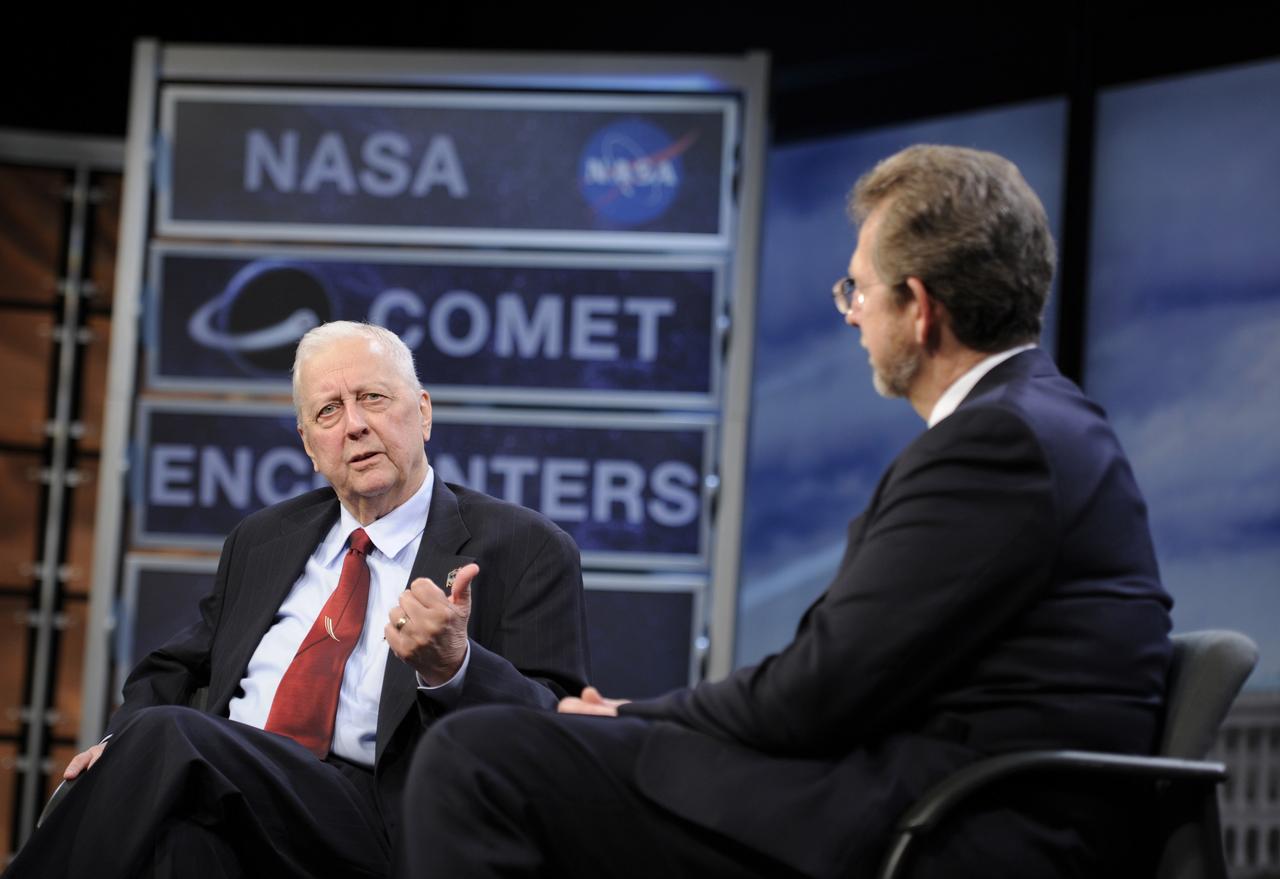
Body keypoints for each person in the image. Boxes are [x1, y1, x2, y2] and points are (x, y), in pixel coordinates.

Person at [395, 145, 1174, 879]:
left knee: (479, 760)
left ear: (920, 309)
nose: (851, 314)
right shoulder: (1041, 422)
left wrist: (639, 714)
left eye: (858, 289)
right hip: (942, 795)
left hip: (953, 824)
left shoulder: (996, 444)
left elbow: (818, 691)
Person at [6, 321, 589, 878]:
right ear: (309, 446)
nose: (354, 425)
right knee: (180, 842)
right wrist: (119, 745)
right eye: (328, 411)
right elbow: (177, 666)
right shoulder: (263, 539)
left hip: (382, 816)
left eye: (373, 398)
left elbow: (557, 736)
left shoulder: (523, 547)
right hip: (237, 793)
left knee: (168, 737)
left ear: (423, 412)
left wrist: (454, 667)